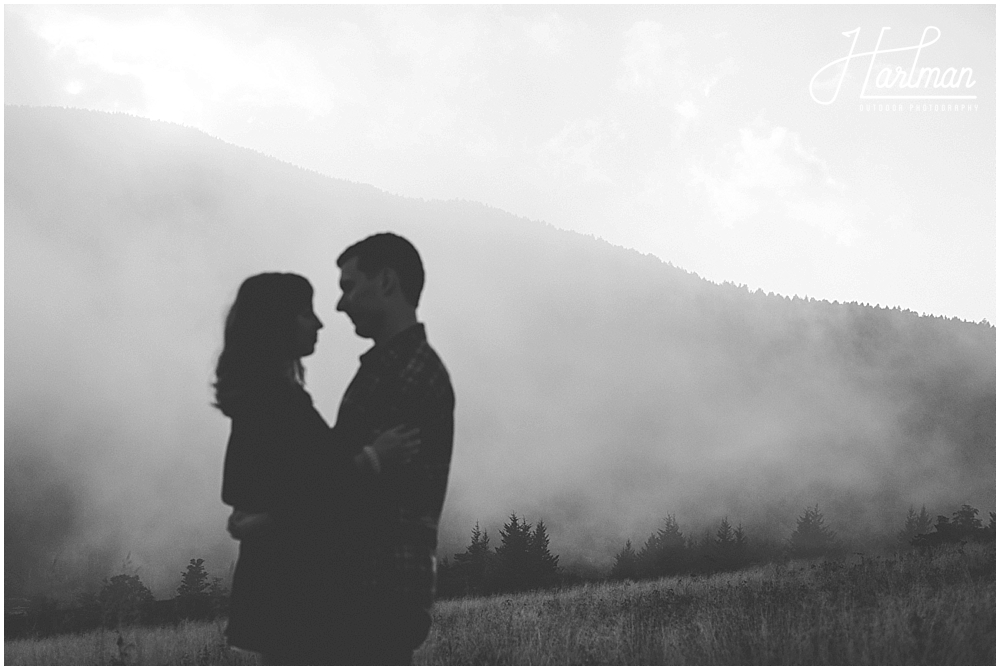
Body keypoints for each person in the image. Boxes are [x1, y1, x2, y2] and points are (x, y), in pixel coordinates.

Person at [214, 272, 418, 665]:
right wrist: (377, 457)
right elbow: (317, 488)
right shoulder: (275, 403)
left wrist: (263, 519)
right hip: (300, 598)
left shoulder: (266, 400)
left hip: (287, 598)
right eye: (306, 313)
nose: (320, 323)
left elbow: (262, 495)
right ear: (278, 322)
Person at [331, 233, 456, 665]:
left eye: (348, 286)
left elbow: (348, 483)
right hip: (373, 590)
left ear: (386, 282)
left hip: (377, 590)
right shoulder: (387, 369)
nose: (340, 305)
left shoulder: (412, 372)